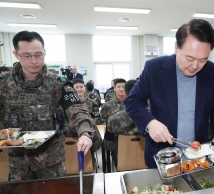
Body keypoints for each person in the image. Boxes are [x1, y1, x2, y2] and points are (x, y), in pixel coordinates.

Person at [124, 19, 214, 168]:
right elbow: (132, 101)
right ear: (176, 47)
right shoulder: (154, 68)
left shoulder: (213, 71)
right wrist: (150, 123)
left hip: (198, 155)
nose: (195, 66)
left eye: (203, 60)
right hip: (162, 155)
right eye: (190, 58)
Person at [0, 31, 95, 181]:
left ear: (45, 52)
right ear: (16, 54)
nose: (34, 60)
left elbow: (78, 110)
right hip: (18, 164)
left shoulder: (58, 83)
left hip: (51, 163)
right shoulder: (4, 84)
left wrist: (84, 133)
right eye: (27, 55)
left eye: (38, 54)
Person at [104, 79, 140, 166]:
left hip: (121, 158)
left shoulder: (112, 119)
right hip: (147, 159)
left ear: (125, 95)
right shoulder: (153, 117)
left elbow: (108, 146)